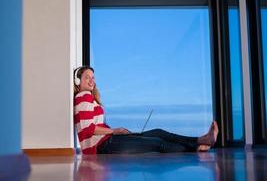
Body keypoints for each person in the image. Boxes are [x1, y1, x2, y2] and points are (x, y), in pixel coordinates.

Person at [74, 66, 219, 154]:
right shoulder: (83, 96)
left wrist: (114, 132)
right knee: (157, 143)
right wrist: (114, 131)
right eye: (87, 77)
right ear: (78, 81)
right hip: (101, 146)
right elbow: (89, 129)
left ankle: (201, 139)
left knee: (158, 132)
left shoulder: (89, 97)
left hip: (107, 140)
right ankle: (196, 147)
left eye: (93, 77)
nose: (92, 80)